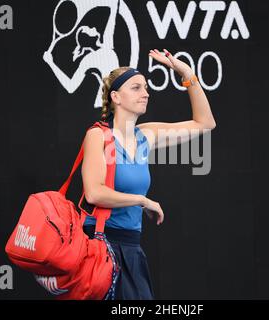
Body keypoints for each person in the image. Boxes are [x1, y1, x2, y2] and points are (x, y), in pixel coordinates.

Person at [81, 48, 216, 300]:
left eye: (145, 87)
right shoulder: (98, 136)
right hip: (100, 247)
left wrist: (185, 72)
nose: (145, 93)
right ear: (116, 97)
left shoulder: (146, 135)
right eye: (136, 88)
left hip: (131, 246)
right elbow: (94, 192)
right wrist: (142, 200)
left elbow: (205, 123)